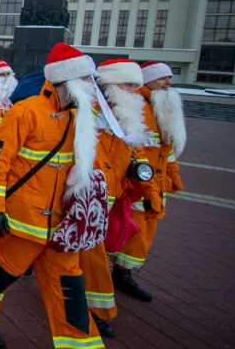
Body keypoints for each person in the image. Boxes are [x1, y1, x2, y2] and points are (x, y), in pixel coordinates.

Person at [0, 43, 104, 349]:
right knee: (0, 274)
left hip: (63, 226)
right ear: (65, 81)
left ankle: (81, 344)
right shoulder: (26, 112)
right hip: (23, 220)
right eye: (86, 80)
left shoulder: (82, 118)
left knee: (70, 288)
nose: (92, 87)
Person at [82, 59, 149, 338]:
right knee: (92, 261)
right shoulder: (88, 112)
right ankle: (94, 313)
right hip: (85, 200)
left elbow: (129, 152)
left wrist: (137, 172)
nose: (132, 91)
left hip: (111, 198)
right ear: (108, 86)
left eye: (134, 86)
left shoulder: (125, 115)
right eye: (126, 85)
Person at [110, 61, 186, 302]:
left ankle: (123, 274)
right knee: (123, 232)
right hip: (136, 189)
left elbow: (167, 149)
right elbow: (136, 153)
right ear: (148, 80)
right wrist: (148, 188)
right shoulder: (136, 107)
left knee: (141, 236)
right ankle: (106, 276)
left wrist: (173, 175)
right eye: (163, 78)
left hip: (155, 185)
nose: (168, 83)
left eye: (170, 77)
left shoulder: (161, 107)